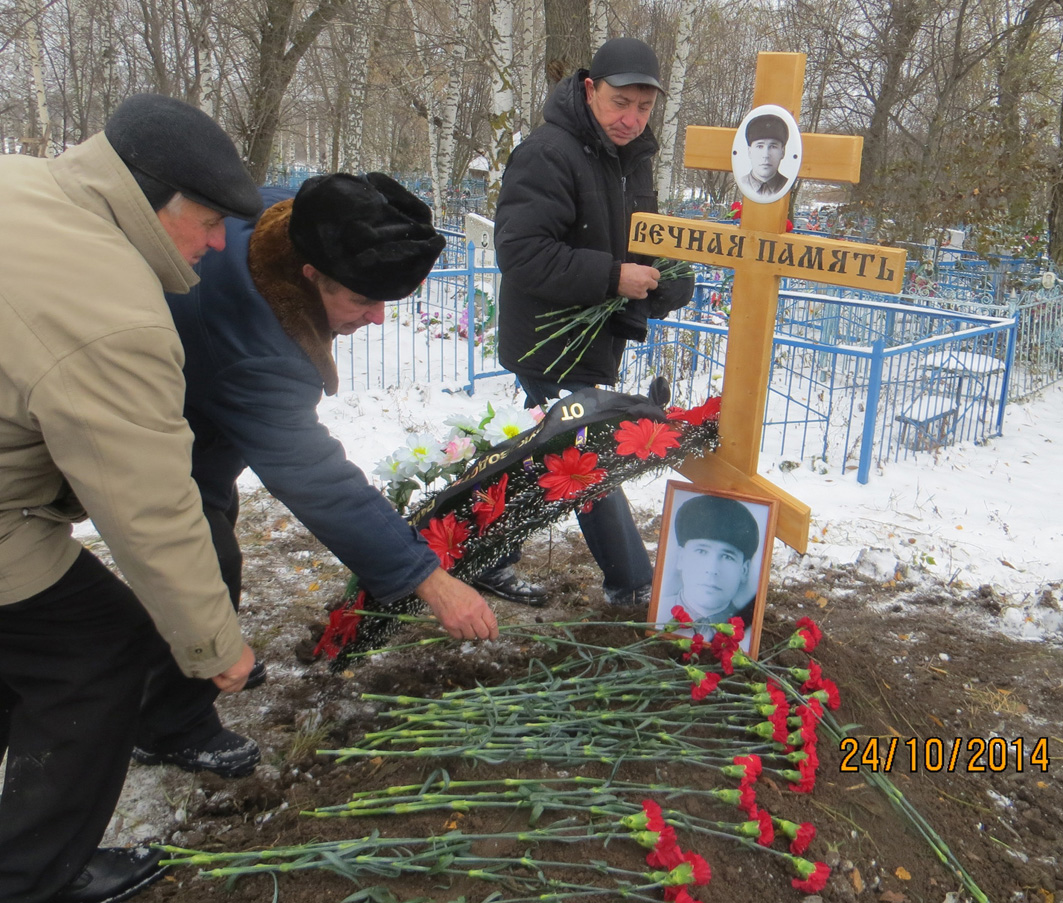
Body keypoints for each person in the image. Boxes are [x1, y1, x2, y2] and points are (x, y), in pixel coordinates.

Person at [0, 95, 262, 903]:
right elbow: (147, 506)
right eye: (211, 220)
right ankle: (30, 878)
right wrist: (215, 646)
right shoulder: (111, 309)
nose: (218, 243)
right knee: (100, 646)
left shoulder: (22, 183)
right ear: (156, 199)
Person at [158, 172, 498, 735]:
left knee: (211, 516)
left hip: (202, 394)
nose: (377, 318)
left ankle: (196, 673)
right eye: (362, 298)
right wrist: (431, 581)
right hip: (160, 409)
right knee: (201, 560)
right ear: (310, 273)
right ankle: (170, 722)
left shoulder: (287, 220)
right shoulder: (257, 348)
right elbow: (315, 477)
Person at [492, 36, 694, 607]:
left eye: (644, 107)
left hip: (591, 340)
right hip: (547, 342)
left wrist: (670, 278)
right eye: (619, 103)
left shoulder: (634, 160)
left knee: (552, 454)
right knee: (588, 458)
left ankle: (488, 555)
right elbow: (522, 252)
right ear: (589, 90)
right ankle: (633, 585)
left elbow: (644, 242)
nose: (631, 119)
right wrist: (612, 278)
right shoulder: (547, 153)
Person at [660, 494, 761, 638]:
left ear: (744, 570)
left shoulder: (748, 631)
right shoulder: (657, 616)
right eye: (701, 551)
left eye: (727, 556)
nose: (712, 569)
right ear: (681, 558)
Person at [737, 113, 790, 200]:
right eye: (760, 146)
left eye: (773, 146)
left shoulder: (786, 185)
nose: (765, 155)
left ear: (783, 152)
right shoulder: (741, 183)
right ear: (749, 151)